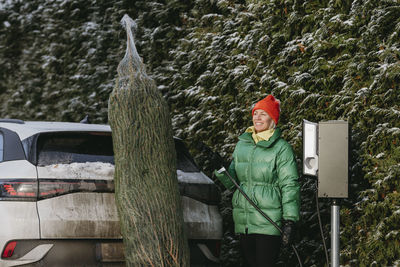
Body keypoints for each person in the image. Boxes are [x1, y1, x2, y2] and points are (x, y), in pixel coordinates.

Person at [214, 95, 300, 267]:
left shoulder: (281, 148)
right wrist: (220, 168)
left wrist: (290, 220)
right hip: (244, 221)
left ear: (272, 119)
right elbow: (234, 183)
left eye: (263, 114)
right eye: (255, 113)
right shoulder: (242, 145)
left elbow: (289, 184)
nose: (257, 117)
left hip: (268, 221)